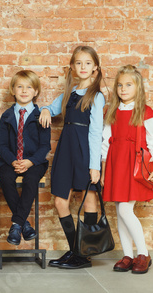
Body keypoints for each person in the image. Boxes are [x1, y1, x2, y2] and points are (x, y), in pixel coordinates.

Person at [39, 45, 105, 269]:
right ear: (72, 67)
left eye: (88, 63)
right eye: (79, 63)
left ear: (95, 67)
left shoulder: (96, 96)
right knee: (60, 201)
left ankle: (84, 255)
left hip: (85, 151)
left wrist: (94, 166)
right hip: (66, 150)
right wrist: (47, 109)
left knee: (89, 200)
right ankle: (76, 251)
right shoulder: (69, 93)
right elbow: (51, 107)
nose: (83, 67)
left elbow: (96, 133)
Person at [101, 64, 153, 274]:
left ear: (138, 87)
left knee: (125, 209)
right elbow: (105, 143)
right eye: (120, 85)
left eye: (128, 85)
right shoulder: (112, 111)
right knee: (119, 212)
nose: (123, 89)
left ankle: (143, 254)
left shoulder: (145, 112)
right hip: (115, 163)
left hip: (133, 164)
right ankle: (128, 255)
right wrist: (103, 172)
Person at [0, 70, 51, 245]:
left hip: (34, 161)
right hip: (11, 160)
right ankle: (24, 225)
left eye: (29, 87)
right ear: (13, 90)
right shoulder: (6, 116)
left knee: (31, 180)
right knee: (5, 177)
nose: (24, 90)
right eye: (19, 86)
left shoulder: (41, 116)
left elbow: (45, 146)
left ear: (36, 92)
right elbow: (2, 145)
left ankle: (16, 225)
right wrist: (13, 161)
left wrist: (30, 162)